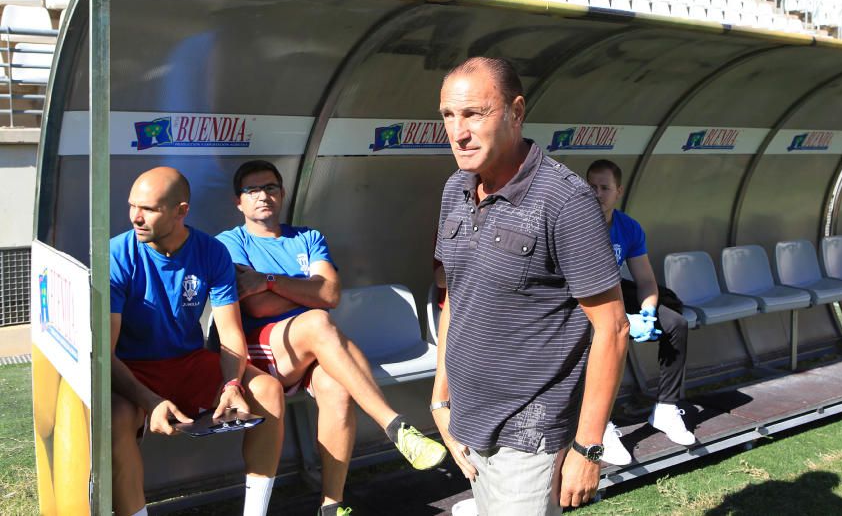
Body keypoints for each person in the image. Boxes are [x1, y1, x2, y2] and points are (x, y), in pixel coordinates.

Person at [432, 57, 630, 514]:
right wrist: (441, 397)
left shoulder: (566, 201)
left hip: (529, 435)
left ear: (516, 112)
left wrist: (587, 449)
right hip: (466, 422)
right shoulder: (454, 189)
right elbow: (455, 298)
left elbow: (613, 328)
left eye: (474, 114)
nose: (458, 131)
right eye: (448, 115)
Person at [216, 159, 447, 516]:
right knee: (318, 322)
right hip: (264, 354)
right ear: (239, 202)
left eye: (270, 188)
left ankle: (331, 505)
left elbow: (331, 294)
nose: (263, 196)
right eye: (252, 190)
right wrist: (304, 290)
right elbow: (259, 307)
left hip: (310, 350)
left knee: (336, 388)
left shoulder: (307, 237)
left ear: (282, 193)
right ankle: (394, 424)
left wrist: (271, 280)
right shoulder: (230, 243)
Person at [110, 167, 284, 516]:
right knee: (116, 417)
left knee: (267, 390)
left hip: (188, 361)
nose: (136, 217)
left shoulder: (211, 251)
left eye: (150, 208)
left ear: (181, 211)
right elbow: (104, 352)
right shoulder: (116, 253)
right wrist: (150, 400)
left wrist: (233, 383)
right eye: (132, 206)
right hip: (132, 369)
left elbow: (230, 332)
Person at [586, 159, 696, 466]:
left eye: (604, 188)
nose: (597, 193)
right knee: (607, 336)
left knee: (675, 323)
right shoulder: (576, 223)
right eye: (591, 187)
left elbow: (646, 280)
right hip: (579, 298)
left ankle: (665, 408)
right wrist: (619, 319)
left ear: (618, 191)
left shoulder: (629, 227)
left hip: (615, 290)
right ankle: (599, 425)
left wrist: (647, 312)